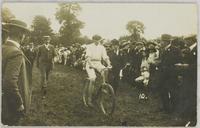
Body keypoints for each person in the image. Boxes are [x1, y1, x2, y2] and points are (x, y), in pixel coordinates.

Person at [2, 19, 32, 125]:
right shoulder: (16, 53)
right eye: (25, 34)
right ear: (21, 34)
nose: (25, 36)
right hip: (9, 105)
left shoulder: (3, 48)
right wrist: (19, 103)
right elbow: (9, 82)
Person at [85, 35, 112, 106]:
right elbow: (88, 58)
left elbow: (105, 57)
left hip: (98, 63)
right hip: (90, 63)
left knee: (106, 70)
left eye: (98, 40)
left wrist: (109, 64)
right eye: (95, 40)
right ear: (93, 40)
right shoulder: (89, 46)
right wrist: (91, 65)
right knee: (93, 79)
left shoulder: (102, 47)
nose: (97, 41)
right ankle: (89, 99)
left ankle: (104, 86)